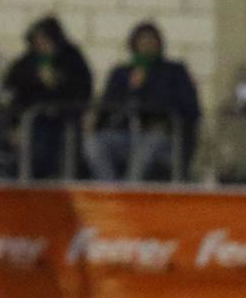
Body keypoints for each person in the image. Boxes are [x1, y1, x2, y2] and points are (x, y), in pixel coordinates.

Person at [86, 21, 202, 182]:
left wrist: (146, 87)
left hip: (161, 134)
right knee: (94, 143)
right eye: (142, 41)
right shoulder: (121, 72)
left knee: (147, 146)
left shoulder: (174, 71)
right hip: (126, 133)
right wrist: (131, 89)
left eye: (150, 41)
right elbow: (109, 105)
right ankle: (109, 189)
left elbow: (187, 107)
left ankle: (130, 190)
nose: (146, 45)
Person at [0, 15, 93, 180]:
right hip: (28, 120)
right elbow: (12, 86)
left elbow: (81, 89)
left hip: (61, 119)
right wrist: (35, 77)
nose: (41, 44)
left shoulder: (71, 58)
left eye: (45, 39)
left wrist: (57, 80)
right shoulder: (28, 60)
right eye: (37, 40)